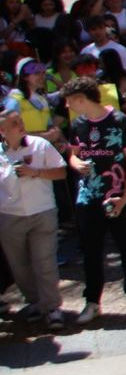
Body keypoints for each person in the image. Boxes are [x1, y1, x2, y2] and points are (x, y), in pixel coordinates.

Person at [62, 76, 126, 325]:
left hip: (117, 196)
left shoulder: (120, 122)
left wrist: (125, 196)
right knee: (91, 251)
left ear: (81, 99)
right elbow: (73, 155)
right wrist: (76, 163)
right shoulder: (78, 124)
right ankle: (92, 301)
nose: (67, 107)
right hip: (88, 197)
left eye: (70, 102)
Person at [0, 105, 68, 331]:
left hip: (43, 211)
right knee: (19, 266)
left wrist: (35, 172)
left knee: (45, 262)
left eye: (20, 120)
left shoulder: (40, 145)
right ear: (2, 131)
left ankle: (52, 308)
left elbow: (61, 172)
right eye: (14, 123)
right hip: (10, 215)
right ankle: (35, 302)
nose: (21, 125)